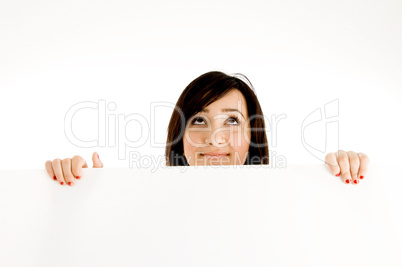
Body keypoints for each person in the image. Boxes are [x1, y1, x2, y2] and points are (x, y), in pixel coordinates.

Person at [45, 71, 370, 186]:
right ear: (180, 137)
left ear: (253, 138)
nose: (214, 138)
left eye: (232, 120)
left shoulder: (284, 211)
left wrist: (341, 182)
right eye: (198, 120)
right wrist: (86, 197)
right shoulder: (146, 212)